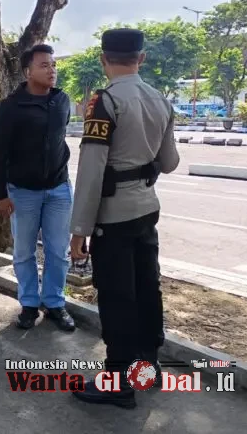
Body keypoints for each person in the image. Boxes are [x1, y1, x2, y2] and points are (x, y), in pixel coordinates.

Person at [69, 28, 180, 409]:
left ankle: (118, 383)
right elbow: (170, 162)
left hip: (113, 217)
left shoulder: (105, 102)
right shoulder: (160, 100)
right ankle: (148, 367)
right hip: (147, 209)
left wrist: (79, 230)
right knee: (148, 288)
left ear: (104, 59)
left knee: (117, 296)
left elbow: (91, 170)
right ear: (141, 58)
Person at [0, 44, 75, 332]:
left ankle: (55, 303)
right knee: (24, 252)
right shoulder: (11, 107)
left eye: (53, 65)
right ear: (28, 72)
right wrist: (0, 194)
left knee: (58, 251)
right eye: (44, 65)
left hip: (59, 190)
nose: (52, 70)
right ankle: (28, 304)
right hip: (23, 192)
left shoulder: (61, 100)